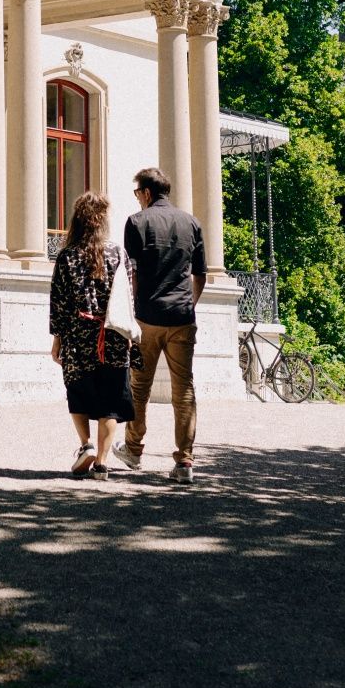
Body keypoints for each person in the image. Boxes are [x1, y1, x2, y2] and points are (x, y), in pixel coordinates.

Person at [112, 166, 206, 484]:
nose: (137, 198)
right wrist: (188, 306)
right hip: (182, 318)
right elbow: (200, 275)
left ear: (147, 193)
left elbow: (132, 274)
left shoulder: (137, 222)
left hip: (148, 317)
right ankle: (185, 462)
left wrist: (133, 313)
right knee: (184, 390)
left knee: (139, 387)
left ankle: (134, 450)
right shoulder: (191, 222)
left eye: (138, 193)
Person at [47, 191, 139, 479]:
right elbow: (128, 297)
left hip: (77, 337)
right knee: (110, 403)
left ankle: (85, 445)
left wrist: (57, 340)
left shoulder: (66, 256)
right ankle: (101, 463)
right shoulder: (118, 253)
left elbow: (58, 302)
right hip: (111, 336)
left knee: (78, 393)